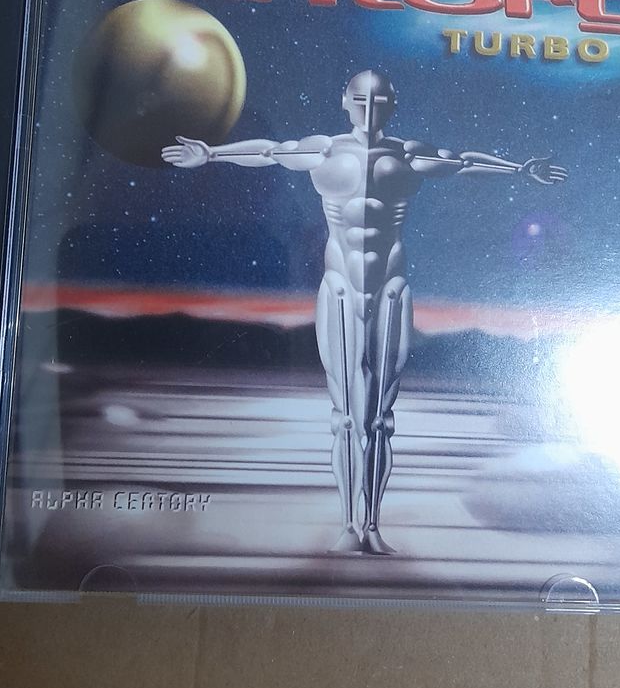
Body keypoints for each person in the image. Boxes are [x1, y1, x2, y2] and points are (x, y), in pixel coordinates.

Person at [163, 70, 566, 554]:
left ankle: (370, 526)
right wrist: (210, 154)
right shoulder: (324, 151)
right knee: (346, 417)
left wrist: (520, 169)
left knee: (378, 419)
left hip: (390, 287)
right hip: (339, 287)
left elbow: (461, 162)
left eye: (378, 100)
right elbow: (269, 151)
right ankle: (348, 527)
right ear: (345, 101)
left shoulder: (406, 155)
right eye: (360, 99)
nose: (369, 109)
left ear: (392, 103)